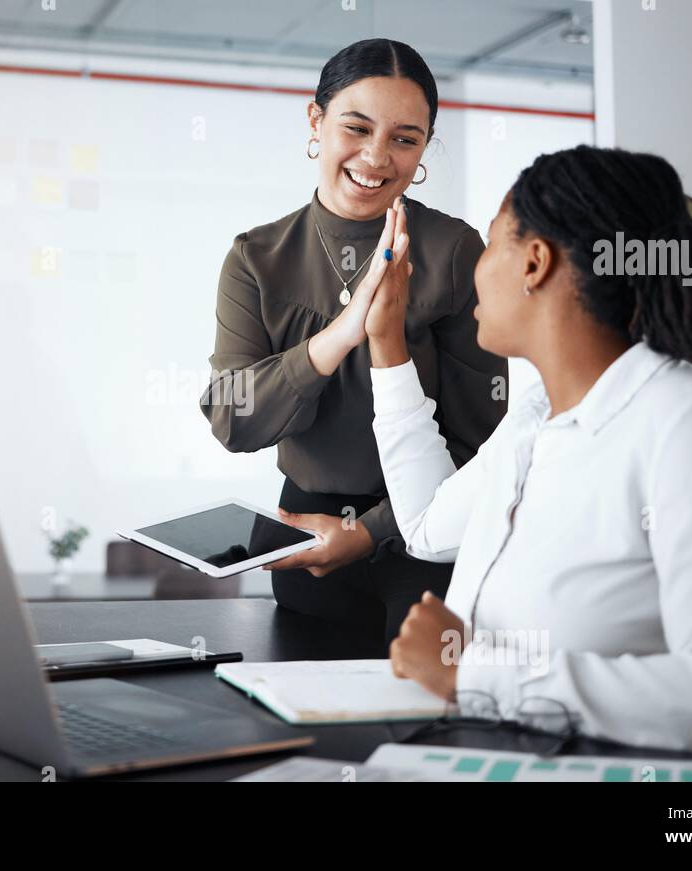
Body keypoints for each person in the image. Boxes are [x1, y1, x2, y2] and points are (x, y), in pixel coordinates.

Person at [368, 144, 692, 758]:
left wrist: (476, 674)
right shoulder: (537, 420)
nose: (475, 268)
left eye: (492, 244)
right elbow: (423, 527)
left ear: (534, 263)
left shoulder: (687, 425)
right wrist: (386, 341)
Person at [200, 38, 506, 643]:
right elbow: (234, 420)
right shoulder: (256, 259)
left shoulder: (454, 252)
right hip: (302, 534)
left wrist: (369, 532)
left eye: (404, 138)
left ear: (423, 149)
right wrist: (339, 336)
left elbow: (485, 445)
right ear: (316, 121)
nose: (376, 157)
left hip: (427, 540)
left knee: (409, 717)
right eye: (357, 127)